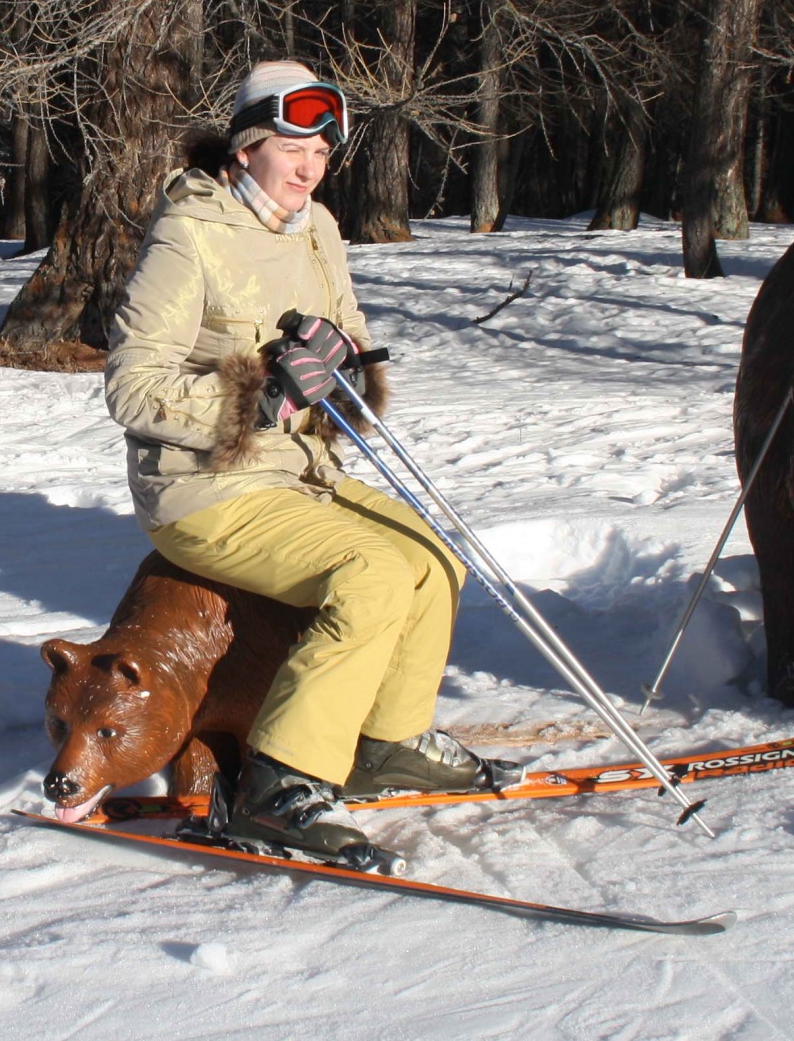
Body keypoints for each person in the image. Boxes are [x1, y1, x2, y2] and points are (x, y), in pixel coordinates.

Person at [102, 61, 503, 870]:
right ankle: (280, 783)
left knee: (432, 559)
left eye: (321, 150)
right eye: (292, 145)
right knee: (370, 576)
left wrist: (343, 363)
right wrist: (260, 393)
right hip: (203, 489)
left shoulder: (317, 226)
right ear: (246, 147)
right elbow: (131, 388)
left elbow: (348, 334)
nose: (310, 165)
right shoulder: (190, 233)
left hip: (300, 470)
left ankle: (386, 741)